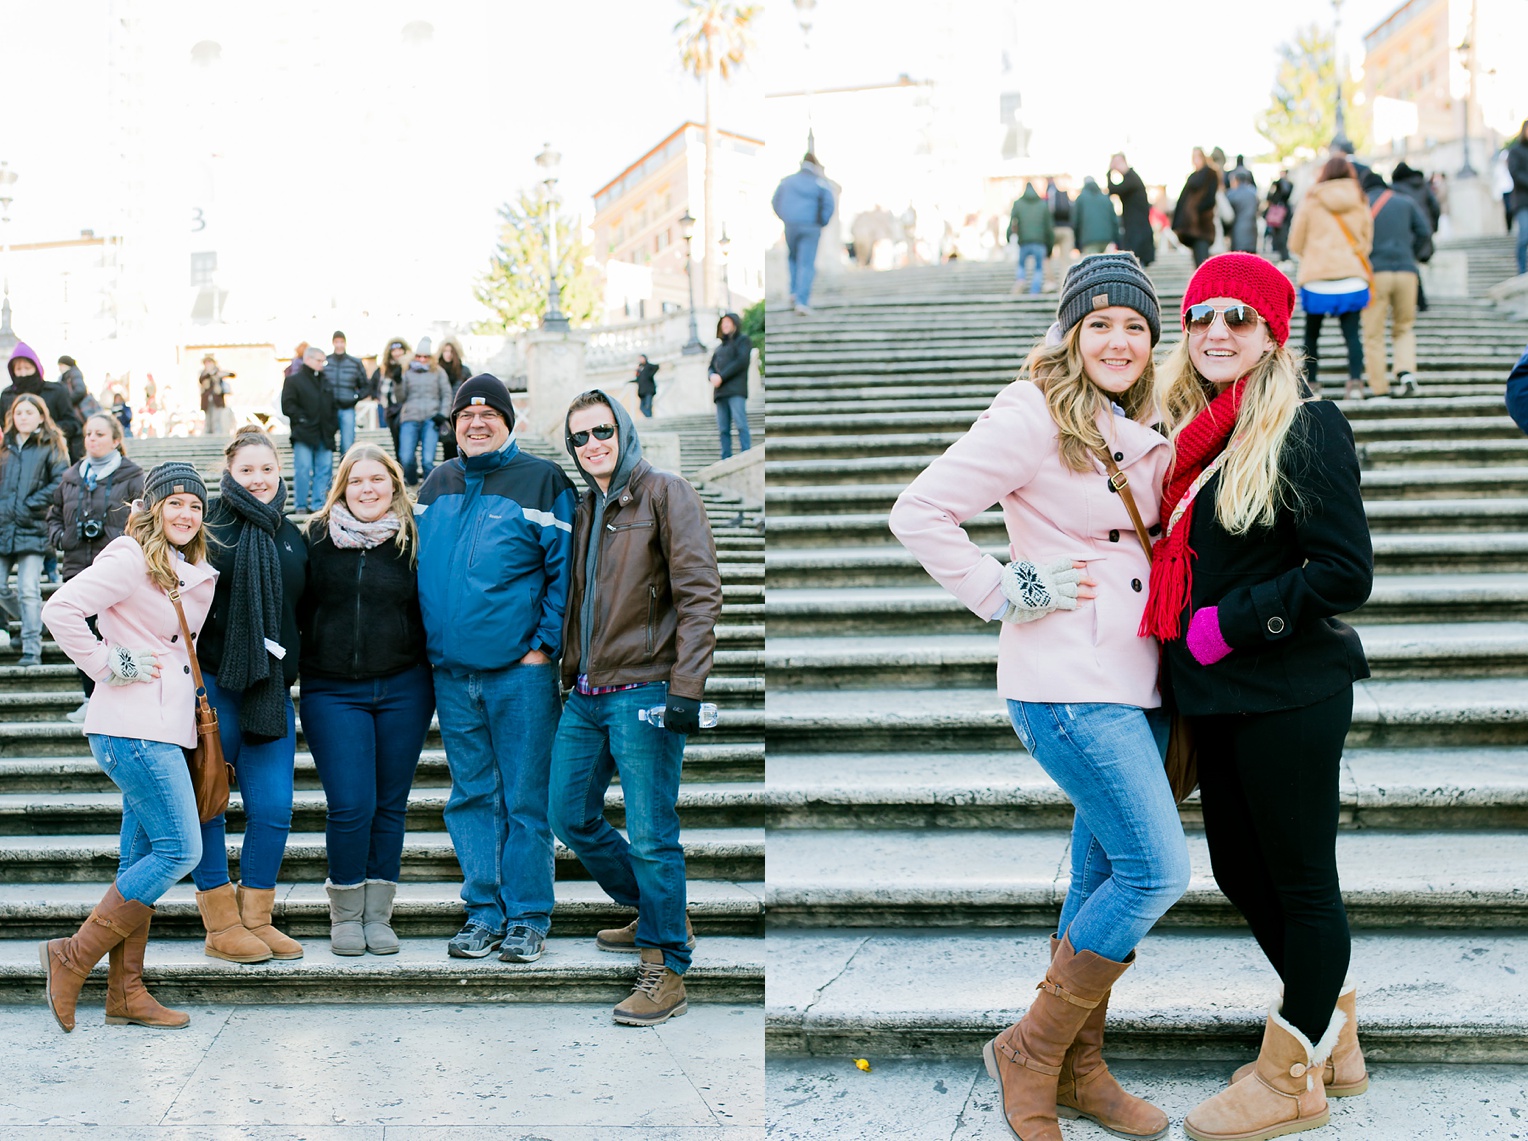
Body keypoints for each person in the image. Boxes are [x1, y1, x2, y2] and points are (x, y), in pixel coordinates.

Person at [890, 254, 1188, 1141]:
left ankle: (1076, 1067)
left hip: (1132, 678)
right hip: (1065, 681)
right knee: (1156, 870)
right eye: (1098, 323)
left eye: (1135, 325)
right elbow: (918, 511)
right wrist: (1006, 586)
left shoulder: (1145, 416)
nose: (1118, 340)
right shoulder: (1032, 412)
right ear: (1069, 333)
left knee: (1103, 873)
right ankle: (1030, 1048)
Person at [1142, 254, 1373, 1141]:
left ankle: (1292, 1078)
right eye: (1201, 315)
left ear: (1274, 329)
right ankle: (1333, 1036)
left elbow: (1345, 570)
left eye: (1240, 316)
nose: (1217, 331)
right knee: (1241, 868)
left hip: (1288, 691)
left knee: (1305, 884)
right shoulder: (1199, 430)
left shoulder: (1306, 425)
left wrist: (1233, 621)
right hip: (1217, 695)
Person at [549, 389, 722, 1026]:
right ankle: (660, 913)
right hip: (587, 693)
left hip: (646, 690)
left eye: (601, 430)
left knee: (652, 834)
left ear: (622, 428)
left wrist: (686, 688)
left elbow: (701, 593)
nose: (592, 444)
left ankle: (666, 967)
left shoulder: (665, 493)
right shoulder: (586, 505)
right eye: (579, 438)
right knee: (568, 814)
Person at [38, 462, 217, 1032]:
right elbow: (58, 609)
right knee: (179, 852)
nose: (186, 514)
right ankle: (73, 956)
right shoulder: (129, 557)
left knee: (140, 860)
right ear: (153, 507)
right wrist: (104, 664)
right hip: (133, 727)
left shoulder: (189, 566)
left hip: (163, 726)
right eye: (175, 503)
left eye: (195, 505)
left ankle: (125, 992)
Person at [415, 373, 575, 962]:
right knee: (471, 795)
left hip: (521, 672)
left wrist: (544, 646)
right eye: (465, 418)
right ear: (453, 426)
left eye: (489, 417)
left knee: (526, 799)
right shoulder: (437, 482)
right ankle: (484, 912)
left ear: (510, 423)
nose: (476, 425)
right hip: (452, 675)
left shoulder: (543, 479)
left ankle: (528, 916)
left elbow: (567, 573)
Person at [299, 444, 434, 956]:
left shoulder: (415, 540)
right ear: (342, 487)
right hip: (332, 690)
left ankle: (379, 915)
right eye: (357, 481)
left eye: (378, 480)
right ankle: (346, 913)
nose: (368, 489)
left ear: (395, 487)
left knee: (389, 806)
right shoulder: (313, 538)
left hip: (404, 687)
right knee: (351, 804)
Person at [188, 426, 309, 965]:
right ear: (228, 472)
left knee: (275, 808)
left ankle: (256, 917)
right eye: (246, 470)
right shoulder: (206, 527)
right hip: (215, 687)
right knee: (208, 803)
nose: (258, 480)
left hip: (270, 690)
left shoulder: (293, 535)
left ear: (279, 471)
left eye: (266, 469)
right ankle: (220, 925)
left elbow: (303, 614)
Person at [48, 412, 145, 722]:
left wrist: (123, 541)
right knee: (84, 632)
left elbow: (144, 518)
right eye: (89, 434)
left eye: (100, 434)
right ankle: (91, 697)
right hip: (77, 565)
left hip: (117, 569)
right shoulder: (71, 477)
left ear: (116, 439)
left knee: (119, 630)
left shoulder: (133, 475)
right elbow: (52, 516)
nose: (92, 439)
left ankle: (125, 696)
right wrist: (61, 537)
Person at [1289, 156, 1373, 400]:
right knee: (1352, 335)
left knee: (1312, 334)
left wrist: (1314, 256)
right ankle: (1355, 384)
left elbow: (1295, 242)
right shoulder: (1359, 199)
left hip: (1317, 278)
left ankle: (1312, 383)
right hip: (1352, 277)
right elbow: (1367, 241)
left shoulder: (1312, 200)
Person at [0, 394, 70, 667]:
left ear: (41, 416)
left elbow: (61, 481)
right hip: (4, 526)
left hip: (33, 526)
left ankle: (31, 649)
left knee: (29, 588)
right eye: (19, 413)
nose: (23, 417)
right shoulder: (5, 447)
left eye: (29, 412)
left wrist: (30, 503)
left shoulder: (51, 445)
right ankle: (38, 622)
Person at [1362, 171, 1433, 399]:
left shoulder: (1362, 205)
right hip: (1406, 271)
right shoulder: (1406, 202)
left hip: (1375, 272)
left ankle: (1379, 386)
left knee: (1373, 332)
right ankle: (1406, 371)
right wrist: (1411, 254)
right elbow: (1424, 232)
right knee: (1403, 326)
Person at [771, 152, 836, 315]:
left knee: (793, 258)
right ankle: (801, 301)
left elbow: (775, 201)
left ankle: (793, 292)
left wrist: (786, 217)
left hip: (791, 225)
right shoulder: (820, 182)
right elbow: (829, 203)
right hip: (811, 226)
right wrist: (821, 221)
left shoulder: (787, 181)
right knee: (806, 263)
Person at [2, 343, 82, 464]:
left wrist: (45, 432)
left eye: (27, 368)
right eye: (18, 369)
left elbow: (72, 423)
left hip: (51, 457)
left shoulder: (56, 391)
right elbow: (4, 426)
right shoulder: (7, 395)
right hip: (16, 458)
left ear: (36, 367)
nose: (23, 374)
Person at [281, 345, 339, 511]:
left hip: (324, 434)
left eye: (323, 361)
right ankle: (300, 504)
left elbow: (333, 407)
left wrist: (332, 426)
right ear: (308, 359)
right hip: (303, 433)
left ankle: (318, 505)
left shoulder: (326, 382)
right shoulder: (293, 380)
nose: (322, 364)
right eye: (319, 360)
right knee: (303, 469)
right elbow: (288, 405)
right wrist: (302, 420)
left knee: (324, 470)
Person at [395, 337, 453, 487]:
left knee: (428, 460)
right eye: (419, 356)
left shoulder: (438, 372)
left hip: (431, 418)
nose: (422, 359)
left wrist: (443, 414)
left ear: (430, 358)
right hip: (410, 417)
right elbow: (400, 397)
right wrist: (398, 382)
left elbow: (447, 394)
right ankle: (413, 484)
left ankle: (428, 489)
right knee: (406, 458)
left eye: (425, 356)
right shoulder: (407, 372)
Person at [709, 312, 752, 460]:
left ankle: (747, 454)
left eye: (727, 322)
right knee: (723, 429)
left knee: (741, 424)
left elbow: (741, 362)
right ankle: (725, 458)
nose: (725, 325)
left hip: (736, 390)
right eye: (723, 323)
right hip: (720, 393)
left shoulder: (743, 341)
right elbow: (711, 367)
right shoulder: (719, 348)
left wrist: (722, 376)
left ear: (734, 323)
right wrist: (712, 376)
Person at [322, 331, 369, 456]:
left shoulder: (355, 363)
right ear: (333, 343)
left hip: (347, 407)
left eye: (341, 342)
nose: (339, 345)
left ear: (345, 343)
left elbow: (365, 386)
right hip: (328, 409)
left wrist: (355, 398)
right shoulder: (325, 362)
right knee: (326, 444)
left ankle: (346, 472)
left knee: (347, 446)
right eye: (337, 342)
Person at [1174, 148, 1220, 266]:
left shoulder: (1210, 174)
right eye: (1193, 157)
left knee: (1203, 261)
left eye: (1198, 157)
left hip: (1202, 224)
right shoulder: (1192, 177)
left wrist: (1196, 211)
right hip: (1189, 225)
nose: (1195, 160)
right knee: (1197, 261)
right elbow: (1182, 200)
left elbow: (1210, 198)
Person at [1007, 182, 1054, 294]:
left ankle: (1020, 280)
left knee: (1022, 264)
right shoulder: (1042, 205)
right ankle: (1034, 291)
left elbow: (1013, 221)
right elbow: (1049, 227)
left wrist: (1008, 236)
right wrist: (1050, 245)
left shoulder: (1018, 204)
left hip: (1024, 240)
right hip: (1039, 241)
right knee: (1038, 268)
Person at [1108, 153, 1154, 267]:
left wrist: (1109, 173)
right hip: (1136, 229)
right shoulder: (1131, 178)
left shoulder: (1131, 179)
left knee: (1136, 263)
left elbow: (1113, 190)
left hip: (1137, 231)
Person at [373, 337, 409, 456]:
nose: (397, 353)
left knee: (406, 444)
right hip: (389, 409)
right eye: (394, 350)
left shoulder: (409, 367)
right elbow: (374, 385)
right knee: (396, 443)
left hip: (404, 408)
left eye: (400, 349)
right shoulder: (384, 369)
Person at [56, 356, 96, 461]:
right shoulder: (67, 376)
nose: (59, 368)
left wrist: (66, 402)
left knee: (79, 441)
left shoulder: (73, 374)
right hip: (75, 414)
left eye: (60, 365)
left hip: (79, 413)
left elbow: (80, 390)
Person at [437, 338, 471, 460]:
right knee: (448, 444)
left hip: (459, 412)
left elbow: (469, 390)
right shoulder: (437, 370)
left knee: (461, 445)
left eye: (451, 351)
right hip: (442, 414)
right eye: (445, 351)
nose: (448, 354)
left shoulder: (464, 371)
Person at [1071, 176, 1119, 256]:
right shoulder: (1105, 198)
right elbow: (1114, 220)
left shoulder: (1081, 199)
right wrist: (1116, 239)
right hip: (1107, 239)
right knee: (1105, 265)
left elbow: (1076, 221)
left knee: (1092, 266)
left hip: (1089, 240)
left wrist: (1077, 242)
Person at [1390, 161, 1441, 234]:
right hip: (1426, 227)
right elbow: (1435, 206)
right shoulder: (1423, 185)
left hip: (1406, 230)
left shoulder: (1395, 188)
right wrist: (1433, 226)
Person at [1048, 178, 1075, 286]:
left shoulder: (1048, 195)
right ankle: (1063, 285)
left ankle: (1050, 282)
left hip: (1052, 229)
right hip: (1067, 229)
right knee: (1065, 260)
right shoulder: (1066, 196)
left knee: (1047, 257)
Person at [1509, 121, 1528, 276]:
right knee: (1525, 234)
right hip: (1522, 202)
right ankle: (1522, 271)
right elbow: (1514, 173)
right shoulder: (1515, 151)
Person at [198, 354, 233, 438]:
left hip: (217, 399)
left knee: (217, 418)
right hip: (207, 400)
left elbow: (231, 374)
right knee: (208, 419)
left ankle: (217, 434)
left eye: (209, 362)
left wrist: (220, 374)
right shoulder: (203, 373)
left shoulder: (218, 372)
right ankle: (208, 434)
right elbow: (201, 379)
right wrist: (210, 374)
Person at [1264, 171, 1295, 262]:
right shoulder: (1276, 186)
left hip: (1282, 215)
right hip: (1278, 215)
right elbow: (1269, 197)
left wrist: (1280, 182)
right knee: (1277, 236)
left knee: (1282, 236)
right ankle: (1281, 255)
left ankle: (1284, 257)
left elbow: (1285, 193)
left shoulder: (1287, 185)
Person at [633, 354, 659, 419]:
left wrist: (650, 375)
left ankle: (650, 418)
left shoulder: (648, 366)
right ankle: (650, 417)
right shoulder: (640, 368)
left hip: (649, 390)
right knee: (641, 407)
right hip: (642, 391)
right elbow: (638, 379)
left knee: (648, 405)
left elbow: (656, 367)